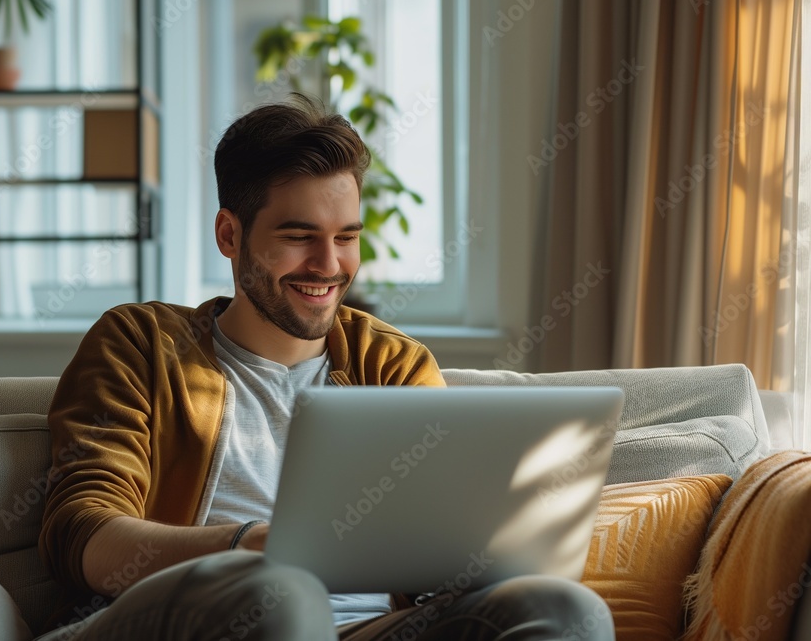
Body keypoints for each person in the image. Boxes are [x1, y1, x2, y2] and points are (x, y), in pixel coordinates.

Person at [37, 94, 614, 640]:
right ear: (229, 234)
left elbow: (436, 545)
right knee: (282, 594)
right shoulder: (141, 343)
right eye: (299, 236)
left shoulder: (391, 363)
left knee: (564, 609)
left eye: (346, 237)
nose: (329, 264)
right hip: (190, 619)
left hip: (369, 629)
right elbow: (80, 533)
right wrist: (251, 548)